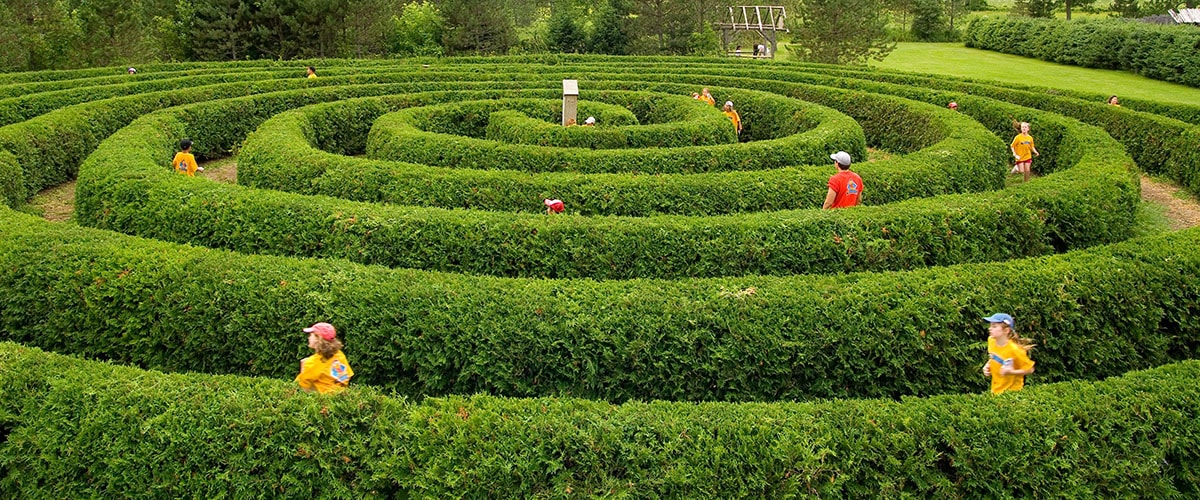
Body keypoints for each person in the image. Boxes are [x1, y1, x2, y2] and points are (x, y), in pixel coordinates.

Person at [980, 313, 1035, 395]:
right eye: (990, 326)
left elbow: (1030, 369)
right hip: (995, 390)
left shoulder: (1015, 350)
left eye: (994, 326)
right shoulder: (991, 341)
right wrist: (987, 365)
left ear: (1006, 331)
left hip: (1012, 393)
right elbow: (993, 356)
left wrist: (1011, 371)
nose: (990, 329)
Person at [295, 322, 354, 394]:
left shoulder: (313, 362)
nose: (309, 337)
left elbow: (302, 385)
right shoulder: (339, 355)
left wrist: (303, 368)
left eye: (311, 335)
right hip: (341, 395)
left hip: (322, 399)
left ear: (318, 338)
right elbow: (345, 377)